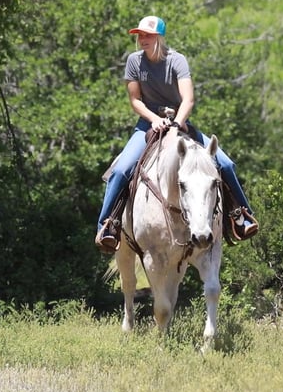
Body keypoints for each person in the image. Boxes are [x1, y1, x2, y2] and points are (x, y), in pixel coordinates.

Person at [95, 15, 258, 253]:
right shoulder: (134, 61)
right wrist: (154, 119)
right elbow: (135, 99)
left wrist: (177, 123)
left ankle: (241, 215)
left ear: (159, 37)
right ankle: (107, 225)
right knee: (121, 170)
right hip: (147, 125)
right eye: (140, 35)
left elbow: (188, 99)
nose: (142, 39)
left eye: (148, 35)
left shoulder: (177, 60)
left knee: (225, 164)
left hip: (180, 123)